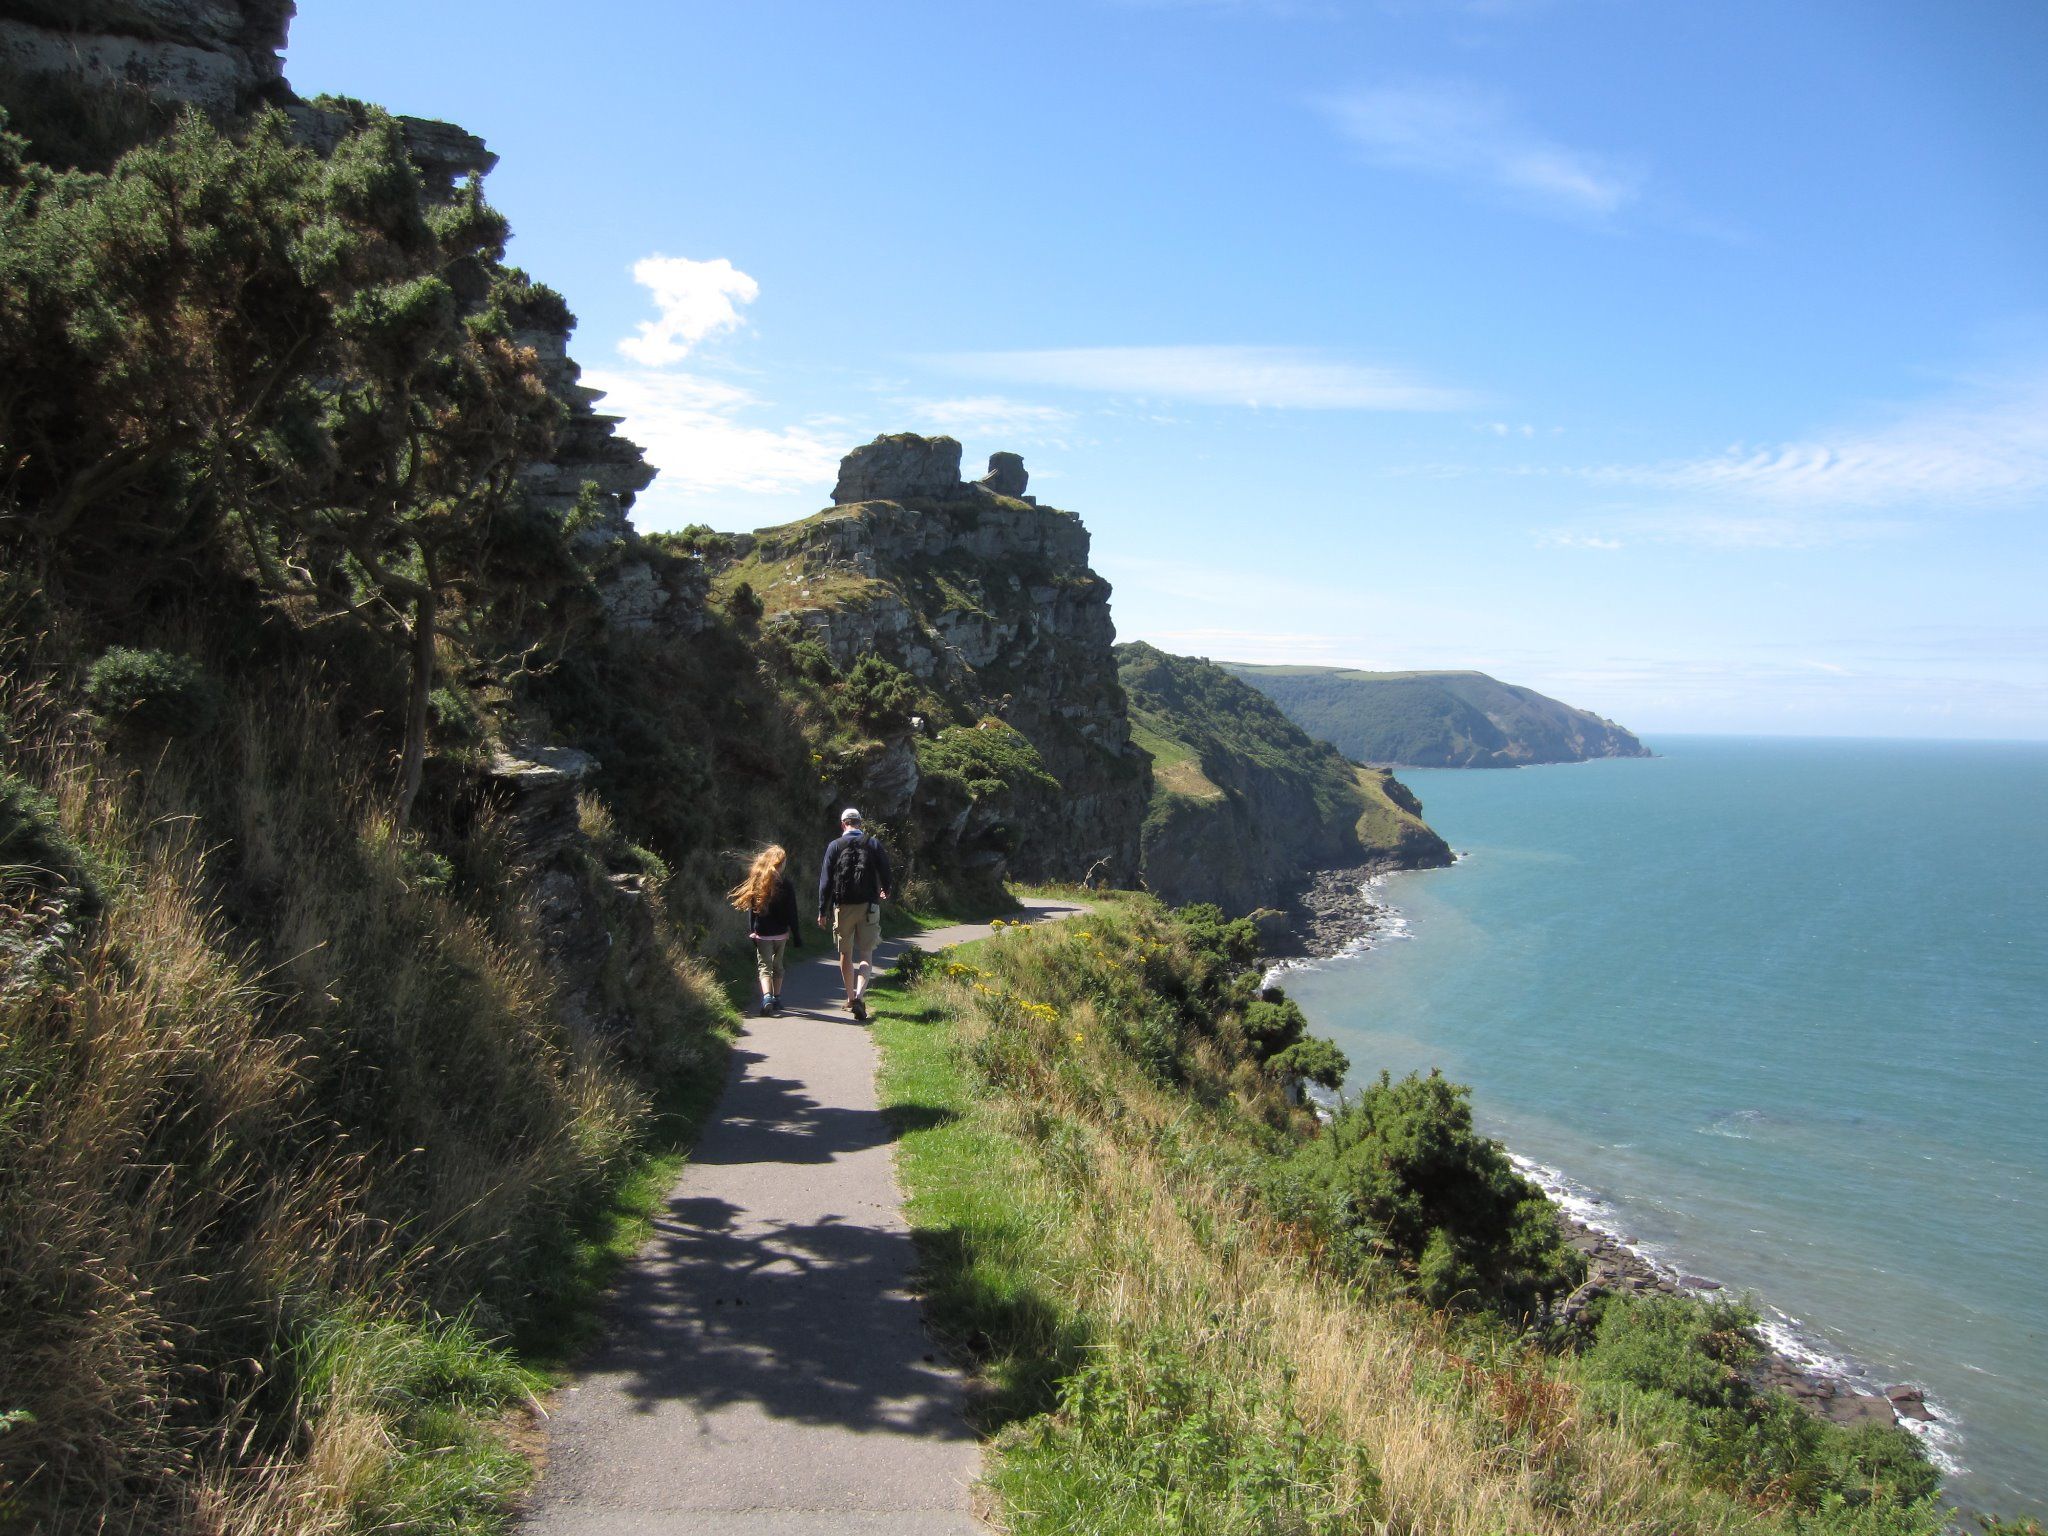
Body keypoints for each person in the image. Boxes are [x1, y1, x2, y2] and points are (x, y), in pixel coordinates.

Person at [816, 807, 892, 1020]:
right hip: (869, 905)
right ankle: (860, 996)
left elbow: (825, 881)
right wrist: (887, 888)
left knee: (845, 953)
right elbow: (885, 869)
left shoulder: (834, 846)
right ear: (860, 823)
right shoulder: (873, 843)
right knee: (866, 953)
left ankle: (850, 997)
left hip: (843, 906)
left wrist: (822, 910)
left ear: (843, 824)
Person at [729, 844, 801, 1016]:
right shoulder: (786, 884)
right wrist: (796, 934)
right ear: (780, 864)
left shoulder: (758, 882)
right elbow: (792, 912)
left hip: (762, 933)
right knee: (778, 966)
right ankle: (777, 997)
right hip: (781, 934)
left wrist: (752, 930)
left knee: (764, 967)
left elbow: (752, 910)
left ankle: (767, 997)